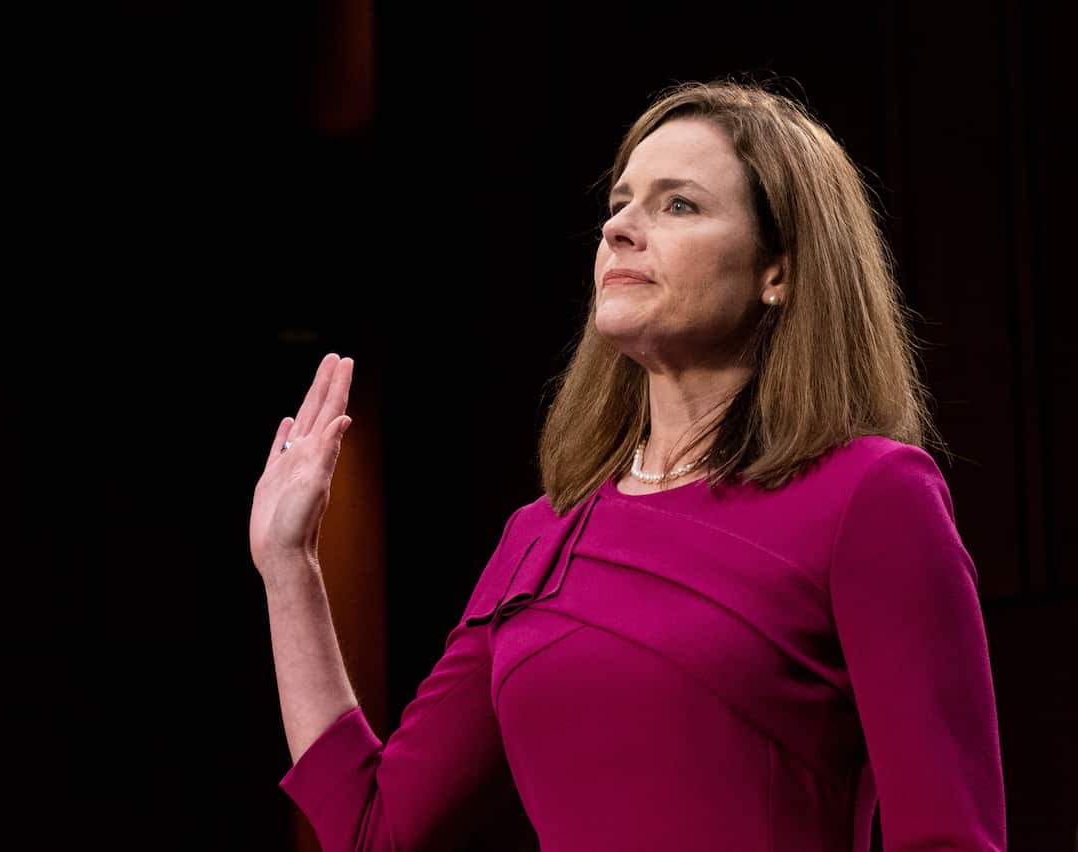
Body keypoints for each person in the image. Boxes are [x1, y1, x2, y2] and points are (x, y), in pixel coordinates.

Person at [251, 79, 1007, 851]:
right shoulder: (537, 536)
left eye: (678, 205)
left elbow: (948, 836)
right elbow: (376, 829)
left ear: (777, 269)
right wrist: (289, 566)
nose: (620, 228)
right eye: (620, 202)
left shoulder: (870, 494)